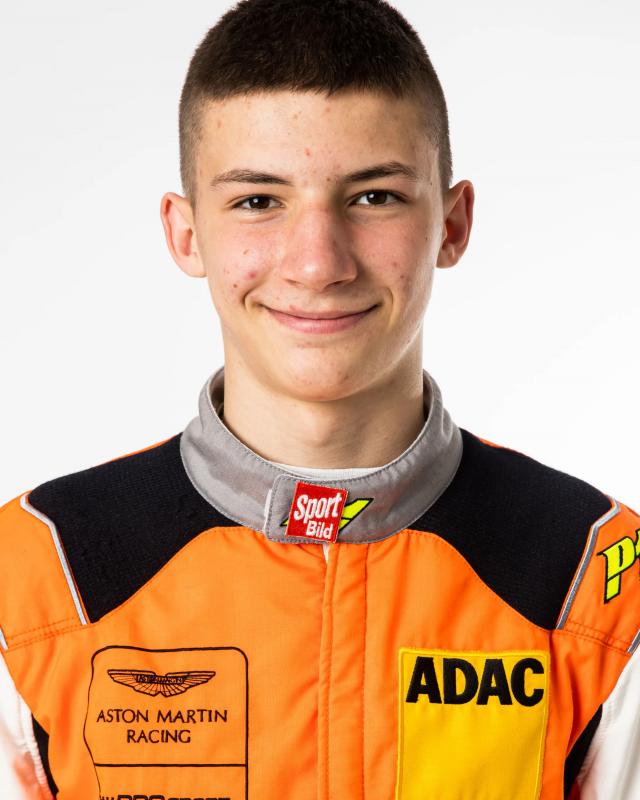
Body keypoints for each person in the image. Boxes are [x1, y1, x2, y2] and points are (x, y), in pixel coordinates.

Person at [0, 0, 638, 798]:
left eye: (374, 197)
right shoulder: (34, 577)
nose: (317, 263)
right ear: (186, 234)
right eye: (258, 201)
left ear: (452, 223)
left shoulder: (600, 580)